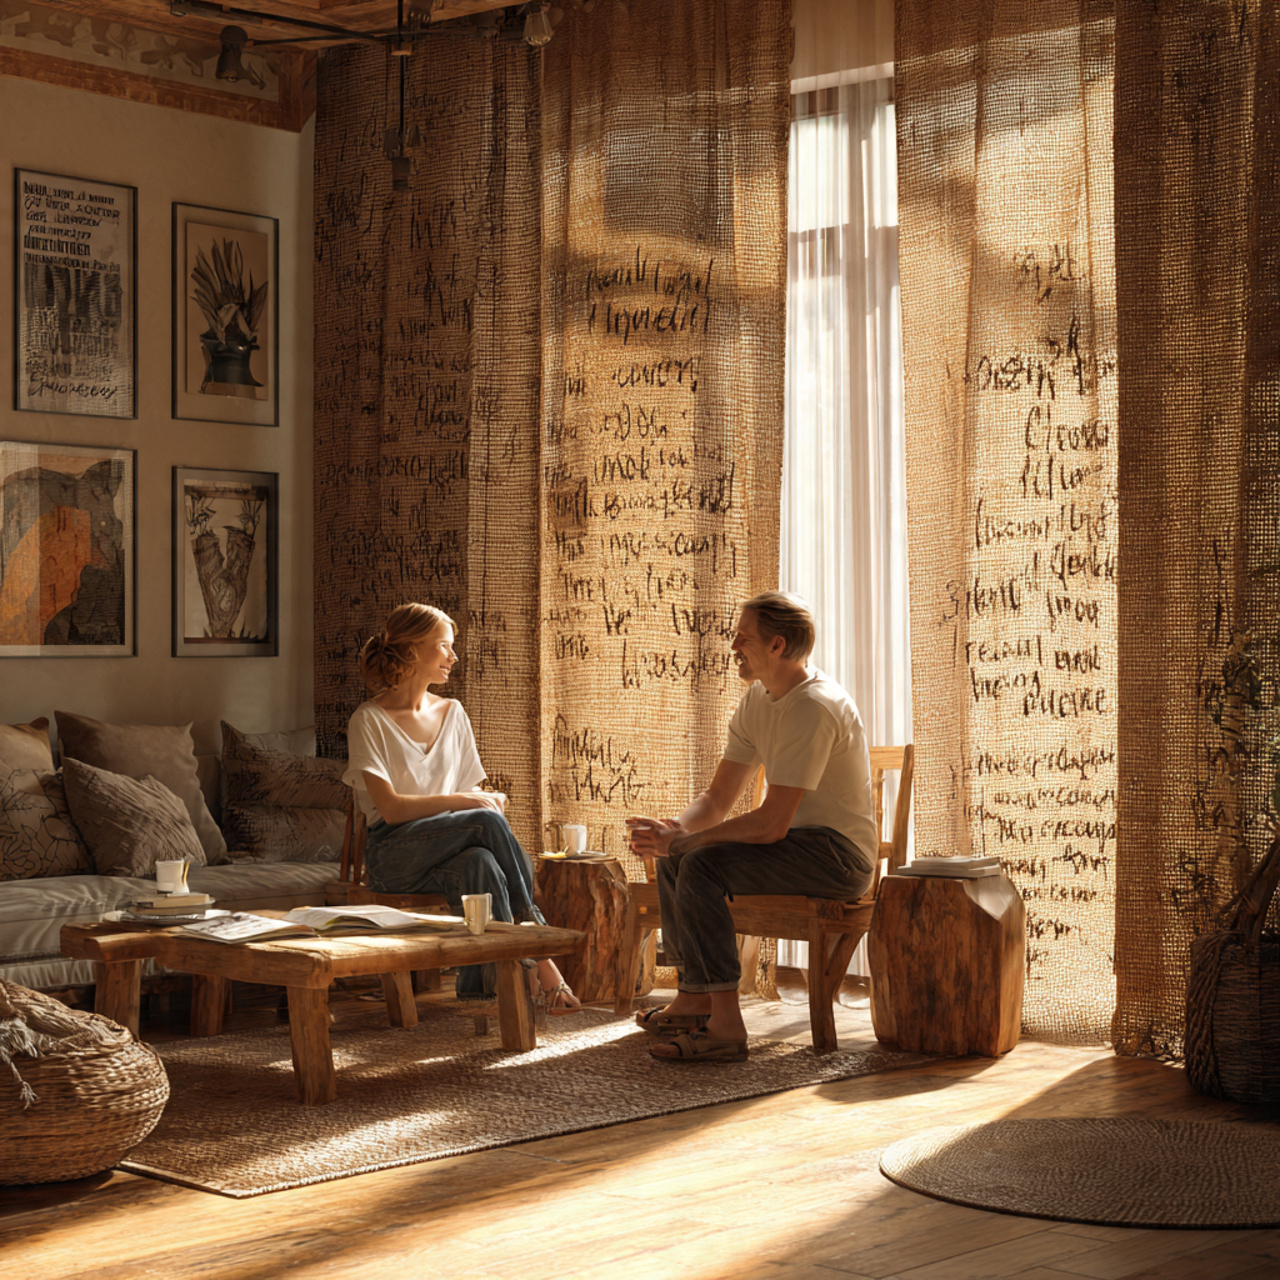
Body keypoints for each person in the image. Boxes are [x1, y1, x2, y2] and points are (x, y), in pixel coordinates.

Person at [627, 591, 877, 1062]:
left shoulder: (813, 707)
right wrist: (672, 833)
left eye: (743, 637)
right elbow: (717, 799)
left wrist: (684, 843)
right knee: (677, 857)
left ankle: (725, 1026)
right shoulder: (758, 701)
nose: (733, 645)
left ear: (777, 645)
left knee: (696, 863)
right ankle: (694, 997)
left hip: (838, 858)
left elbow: (771, 824)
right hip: (795, 847)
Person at [344, 602, 581, 1013]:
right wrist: (469, 802)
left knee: (480, 864)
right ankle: (537, 946)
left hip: (447, 847)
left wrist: (477, 802)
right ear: (414, 651)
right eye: (445, 647)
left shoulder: (453, 713)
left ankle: (486, 994)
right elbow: (392, 809)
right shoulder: (369, 720)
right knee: (484, 821)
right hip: (393, 853)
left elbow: (472, 799)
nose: (454, 657)